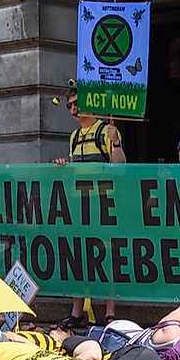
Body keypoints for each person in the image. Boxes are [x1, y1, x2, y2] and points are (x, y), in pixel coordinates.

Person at [54, 86, 124, 326]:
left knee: (105, 255)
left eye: (76, 104)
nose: (73, 110)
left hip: (102, 202)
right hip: (79, 203)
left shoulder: (106, 130)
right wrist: (63, 165)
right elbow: (73, 168)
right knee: (78, 254)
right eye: (70, 106)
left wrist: (116, 144)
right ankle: (77, 312)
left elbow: (121, 166)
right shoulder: (74, 136)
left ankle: (109, 312)